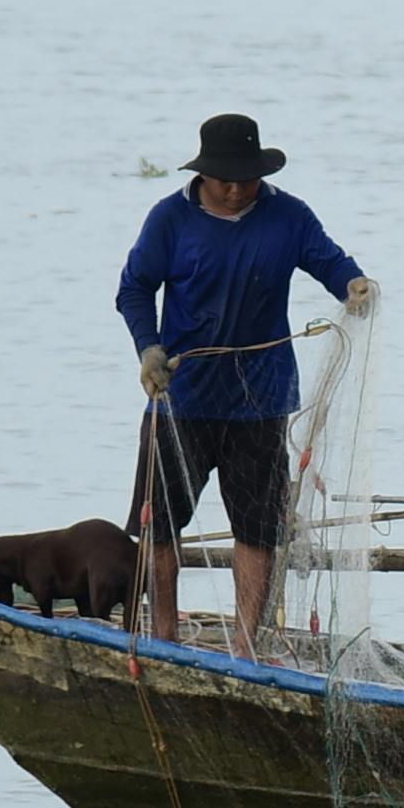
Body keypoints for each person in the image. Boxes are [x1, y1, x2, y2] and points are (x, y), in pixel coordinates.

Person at [117, 112, 373, 643]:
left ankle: (245, 645)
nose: (235, 190)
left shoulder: (289, 217)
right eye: (224, 180)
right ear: (203, 175)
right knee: (158, 525)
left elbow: (330, 263)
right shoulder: (171, 220)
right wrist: (149, 350)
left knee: (257, 528)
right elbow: (135, 289)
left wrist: (354, 284)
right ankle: (163, 635)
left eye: (246, 179)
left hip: (261, 398)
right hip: (180, 396)